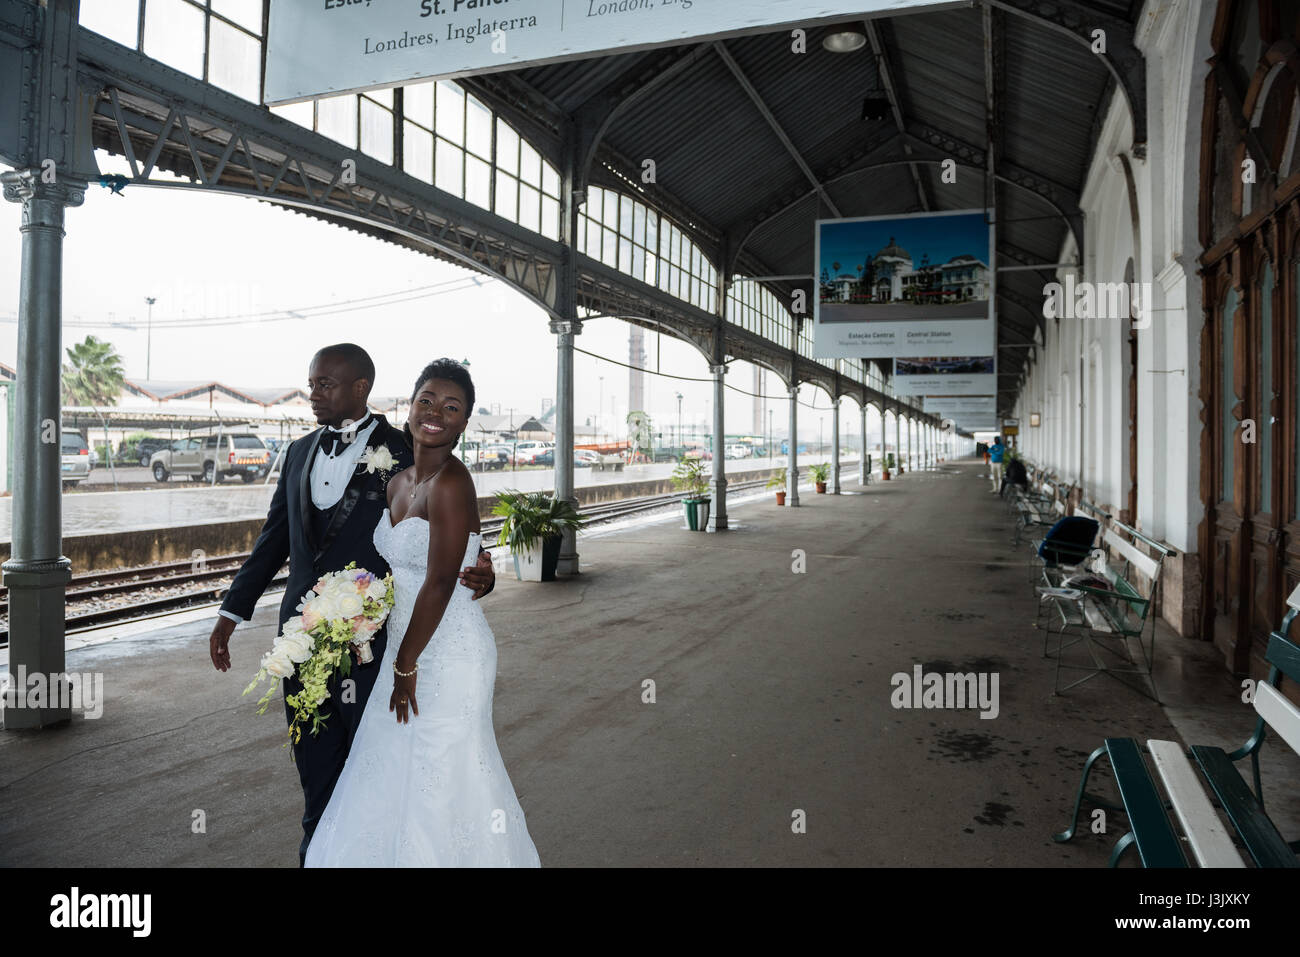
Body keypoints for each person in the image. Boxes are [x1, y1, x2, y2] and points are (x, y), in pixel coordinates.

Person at [208, 344, 497, 866]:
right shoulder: (297, 452)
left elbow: (453, 532)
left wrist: (482, 567)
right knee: (315, 766)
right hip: (302, 634)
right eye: (312, 383)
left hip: (380, 640)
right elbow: (274, 539)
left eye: (325, 384)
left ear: (361, 386)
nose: (314, 393)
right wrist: (232, 612)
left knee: (378, 774)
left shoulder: (408, 446)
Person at [305, 359, 540, 867]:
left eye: (451, 407)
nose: (435, 412)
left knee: (445, 774)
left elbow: (438, 581)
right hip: (405, 646)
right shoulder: (398, 483)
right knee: (388, 769)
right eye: (426, 400)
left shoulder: (453, 483)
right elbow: (400, 571)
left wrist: (405, 665)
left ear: (464, 422)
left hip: (447, 652)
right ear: (408, 407)